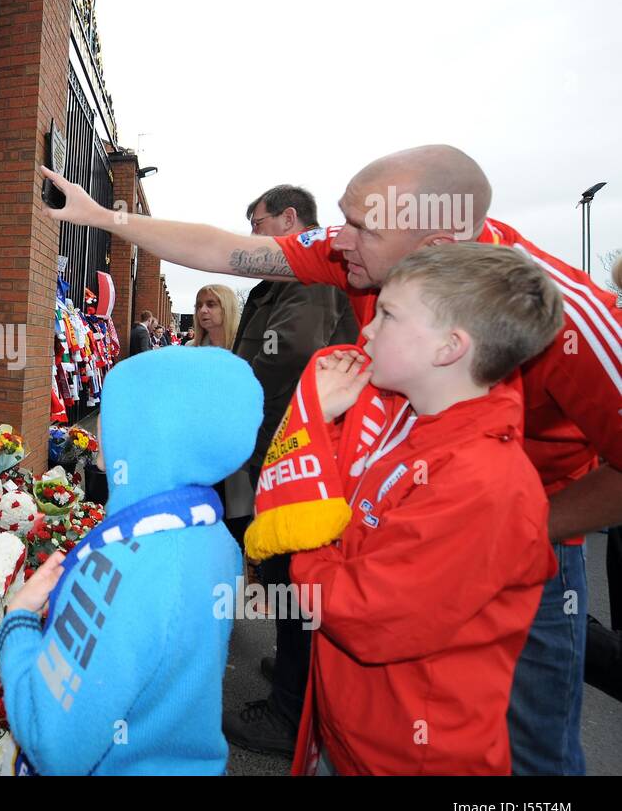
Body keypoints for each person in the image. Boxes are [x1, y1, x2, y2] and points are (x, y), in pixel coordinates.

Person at [40, 145, 622, 775]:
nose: (338, 240)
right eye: (342, 218)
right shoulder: (364, 251)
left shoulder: (573, 321)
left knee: (529, 740)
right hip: (387, 514)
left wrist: (515, 530)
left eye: (361, 228)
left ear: (436, 244)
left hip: (521, 534)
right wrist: (103, 217)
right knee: (376, 702)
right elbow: (226, 248)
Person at [263, 245, 562, 773]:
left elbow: (364, 615)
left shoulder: (485, 483)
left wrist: (304, 546)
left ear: (449, 348)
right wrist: (323, 422)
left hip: (409, 755)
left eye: (388, 315)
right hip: (353, 726)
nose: (368, 329)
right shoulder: (406, 426)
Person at [0, 345, 261, 774]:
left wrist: (19, 621)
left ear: (145, 431)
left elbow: (52, 742)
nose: (100, 421)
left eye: (112, 409)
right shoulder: (214, 538)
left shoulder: (119, 567)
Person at [223, 185, 360, 756]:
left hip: (300, 458)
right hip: (284, 453)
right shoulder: (277, 286)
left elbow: (294, 351)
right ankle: (293, 673)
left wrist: (231, 396)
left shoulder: (311, 277)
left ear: (287, 217)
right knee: (285, 581)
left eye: (256, 222)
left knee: (294, 579)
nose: (251, 235)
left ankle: (290, 715)